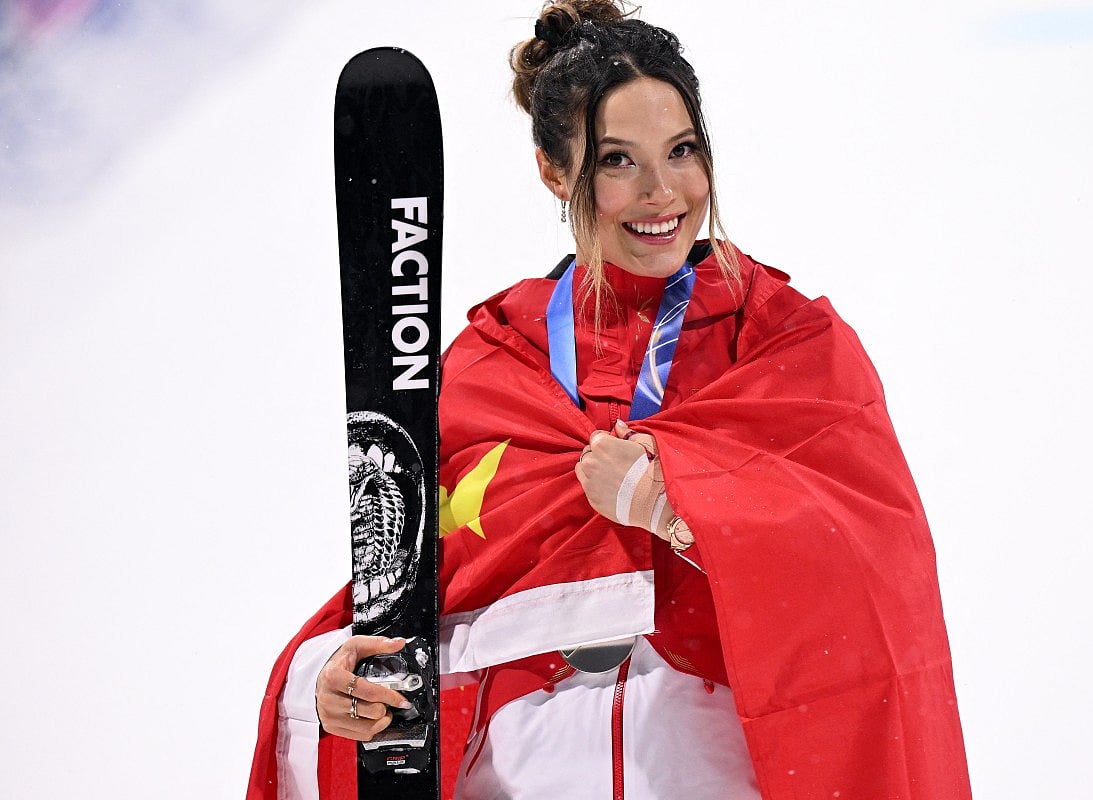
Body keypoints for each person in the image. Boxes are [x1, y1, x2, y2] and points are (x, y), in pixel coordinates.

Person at [248, 2, 972, 798]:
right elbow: (408, 595)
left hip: (717, 769)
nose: (664, 192)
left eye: (683, 151)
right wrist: (332, 684)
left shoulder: (784, 345)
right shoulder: (492, 364)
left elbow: (876, 582)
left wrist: (682, 511)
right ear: (555, 172)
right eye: (619, 160)